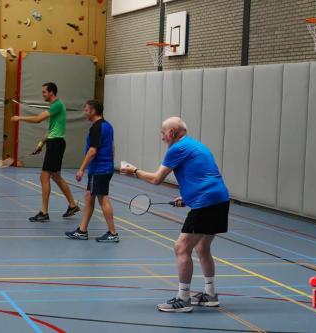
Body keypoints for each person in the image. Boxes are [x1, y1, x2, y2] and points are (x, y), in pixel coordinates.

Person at [121, 117, 230, 313]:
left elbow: (156, 179)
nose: (162, 137)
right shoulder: (196, 145)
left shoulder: (177, 149)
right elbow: (205, 175)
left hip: (206, 203)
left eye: (163, 133)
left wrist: (134, 171)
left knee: (181, 248)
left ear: (172, 132)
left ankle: (183, 298)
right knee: (202, 247)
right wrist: (187, 196)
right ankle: (210, 294)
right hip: (220, 199)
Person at [11, 82, 80, 222]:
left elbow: (37, 120)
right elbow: (51, 129)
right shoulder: (55, 107)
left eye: (44, 92)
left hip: (56, 144)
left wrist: (19, 118)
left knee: (44, 176)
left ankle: (44, 212)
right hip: (54, 143)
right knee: (56, 177)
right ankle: (72, 205)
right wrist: (41, 144)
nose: (42, 94)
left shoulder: (57, 105)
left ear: (51, 93)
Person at [65, 100, 119, 242]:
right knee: (89, 198)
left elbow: (92, 150)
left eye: (86, 110)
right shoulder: (108, 125)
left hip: (99, 170)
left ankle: (113, 233)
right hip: (105, 167)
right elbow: (112, 146)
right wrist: (110, 162)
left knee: (104, 200)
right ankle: (82, 230)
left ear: (93, 111)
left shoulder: (96, 127)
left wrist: (81, 169)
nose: (85, 112)